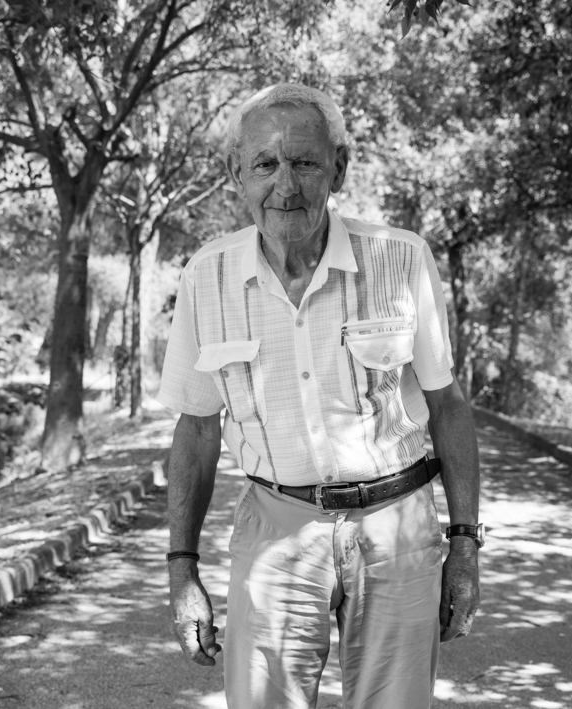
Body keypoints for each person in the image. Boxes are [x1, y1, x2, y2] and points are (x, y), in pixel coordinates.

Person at [157, 83, 482, 709]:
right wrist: (182, 571)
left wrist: (465, 546)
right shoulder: (207, 277)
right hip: (274, 529)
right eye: (265, 164)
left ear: (340, 166)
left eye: (305, 162)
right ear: (237, 174)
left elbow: (448, 407)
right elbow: (196, 429)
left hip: (397, 529)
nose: (286, 185)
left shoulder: (402, 259)